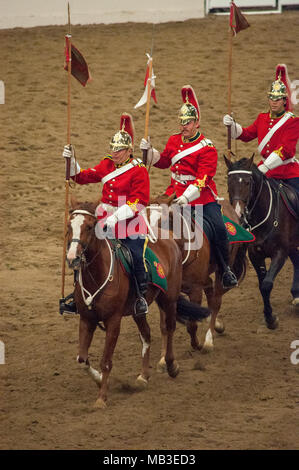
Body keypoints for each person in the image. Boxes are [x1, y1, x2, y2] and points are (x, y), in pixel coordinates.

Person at [140, 85, 238, 289]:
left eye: (188, 123)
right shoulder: (174, 140)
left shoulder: (208, 148)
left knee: (219, 229)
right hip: (173, 193)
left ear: (197, 123)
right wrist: (150, 152)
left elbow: (202, 180)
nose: (184, 126)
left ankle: (225, 268)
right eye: (182, 122)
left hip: (201, 199)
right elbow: (165, 161)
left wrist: (185, 198)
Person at [223, 63, 299, 304]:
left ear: (284, 101)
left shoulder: (292, 121)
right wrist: (232, 127)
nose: (273, 102)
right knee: (247, 203)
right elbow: (246, 134)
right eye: (271, 98)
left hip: (287, 173)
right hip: (266, 176)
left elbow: (286, 150)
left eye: (278, 99)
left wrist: (264, 168)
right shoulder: (262, 118)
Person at [61, 113, 150, 316]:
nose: (115, 152)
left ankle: (139, 297)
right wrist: (71, 161)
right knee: (83, 250)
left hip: (130, 225)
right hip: (104, 223)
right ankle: (78, 297)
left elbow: (139, 203)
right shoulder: (107, 164)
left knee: (136, 256)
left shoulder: (139, 171)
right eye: (113, 148)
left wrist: (113, 218)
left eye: (119, 150)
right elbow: (83, 176)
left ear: (129, 150)